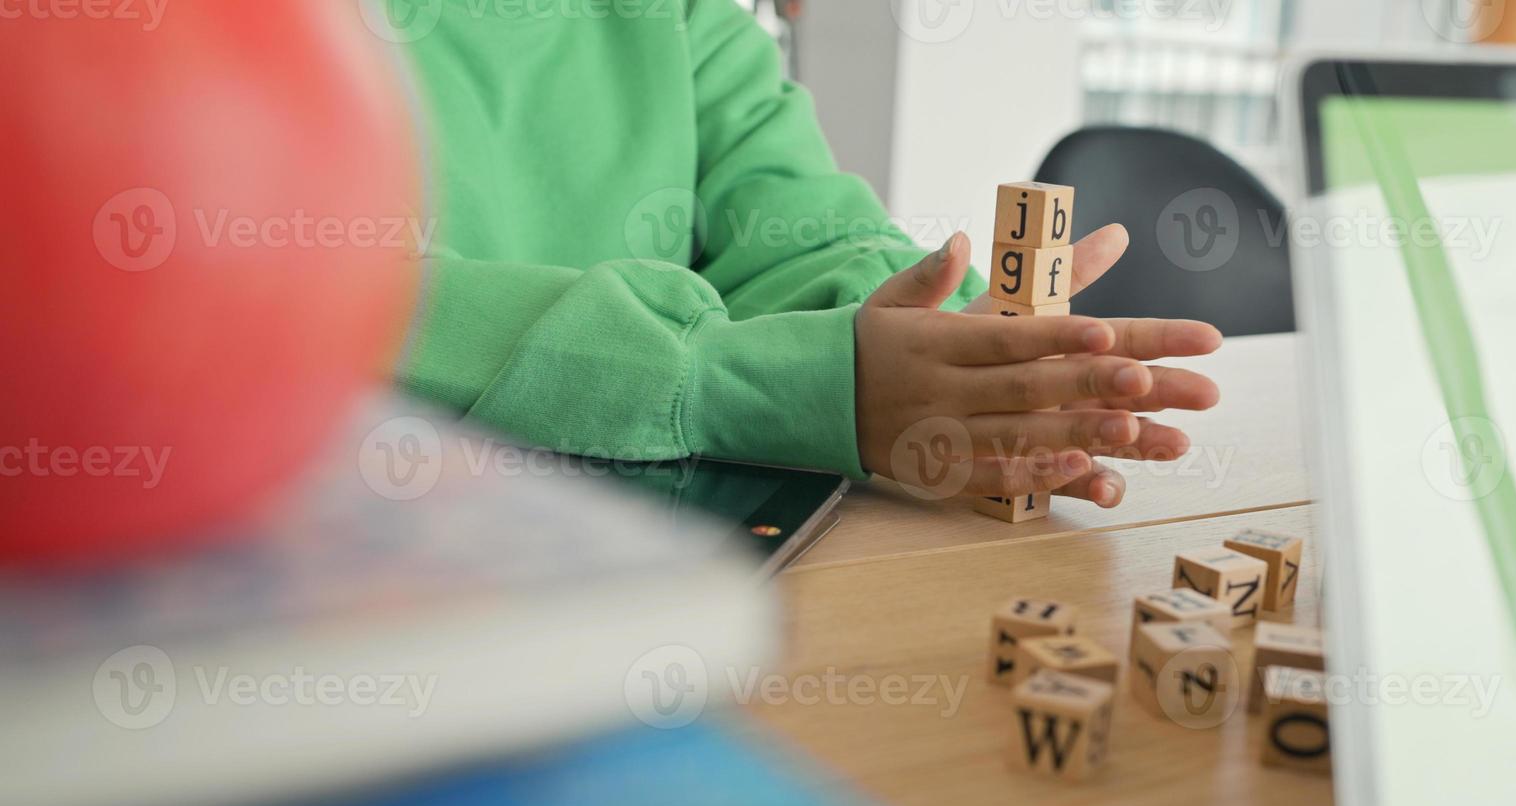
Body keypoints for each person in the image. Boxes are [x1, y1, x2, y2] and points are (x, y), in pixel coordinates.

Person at [390, 0, 1221, 507]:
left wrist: (942, 346)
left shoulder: (676, 14)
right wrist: (747, 382)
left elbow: (798, 224)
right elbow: (328, 313)